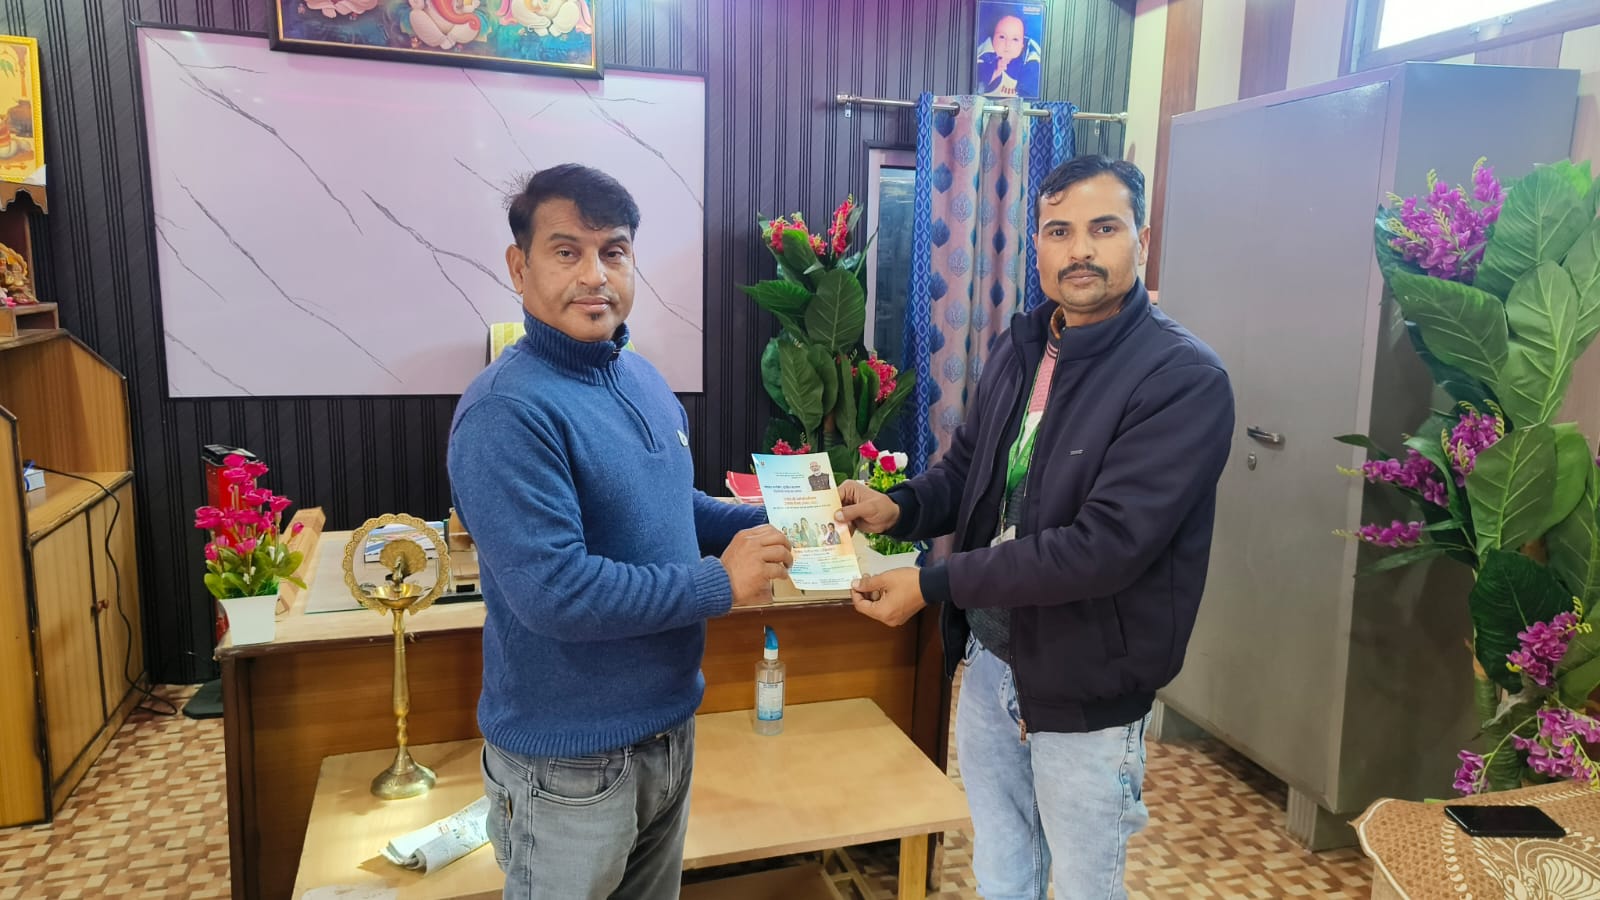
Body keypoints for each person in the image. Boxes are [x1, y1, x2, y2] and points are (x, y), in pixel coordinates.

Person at [838, 155, 1233, 899]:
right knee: (1003, 869)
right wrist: (901, 507)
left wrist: (932, 584)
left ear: (1142, 240)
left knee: (1084, 885)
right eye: (1059, 231)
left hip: (1087, 681)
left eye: (1103, 228)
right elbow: (970, 471)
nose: (1080, 250)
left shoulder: (1180, 378)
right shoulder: (1024, 346)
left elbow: (1101, 550)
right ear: (1038, 246)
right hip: (993, 661)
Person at [448, 163, 792, 899]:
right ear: (519, 266)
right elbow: (556, 593)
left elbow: (671, 510)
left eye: (614, 251)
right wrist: (719, 582)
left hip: (667, 732)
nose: (594, 275)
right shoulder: (506, 412)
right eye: (566, 251)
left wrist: (784, 518)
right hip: (566, 765)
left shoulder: (641, 380)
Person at [976, 12, 1041, 98]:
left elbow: (1031, 94)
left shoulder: (1031, 60)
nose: (1008, 44)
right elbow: (977, 88)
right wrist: (995, 72)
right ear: (992, 39)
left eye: (1015, 39)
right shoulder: (984, 55)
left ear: (1022, 45)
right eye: (1002, 37)